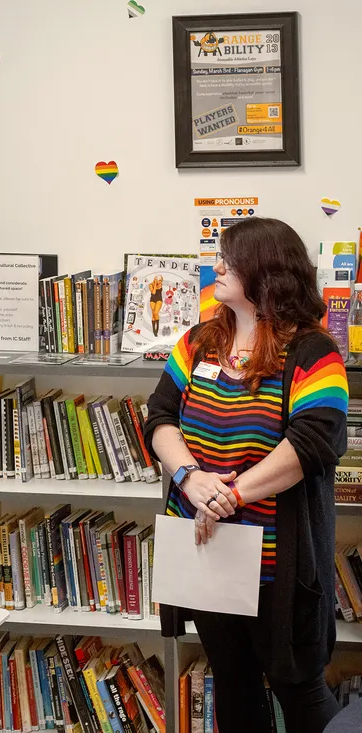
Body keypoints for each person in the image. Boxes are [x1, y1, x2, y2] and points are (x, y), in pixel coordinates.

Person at [143, 217, 348, 733]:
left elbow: (314, 441)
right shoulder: (197, 342)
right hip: (208, 553)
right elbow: (160, 417)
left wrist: (229, 495)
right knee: (231, 682)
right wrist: (189, 478)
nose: (216, 267)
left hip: (279, 565)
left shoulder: (312, 351)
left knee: (299, 689)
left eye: (228, 260)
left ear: (266, 271)